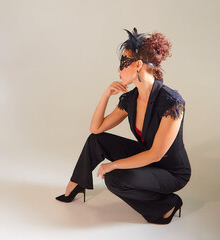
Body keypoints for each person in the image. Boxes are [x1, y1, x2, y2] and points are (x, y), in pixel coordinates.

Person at [55, 27, 191, 225]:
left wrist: (114, 165)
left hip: (170, 171)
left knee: (115, 179)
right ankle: (76, 184)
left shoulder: (171, 102)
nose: (118, 70)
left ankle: (166, 204)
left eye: (123, 63)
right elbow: (96, 129)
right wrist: (106, 95)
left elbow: (156, 155)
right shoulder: (130, 99)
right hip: (147, 157)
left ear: (138, 65)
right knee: (97, 140)